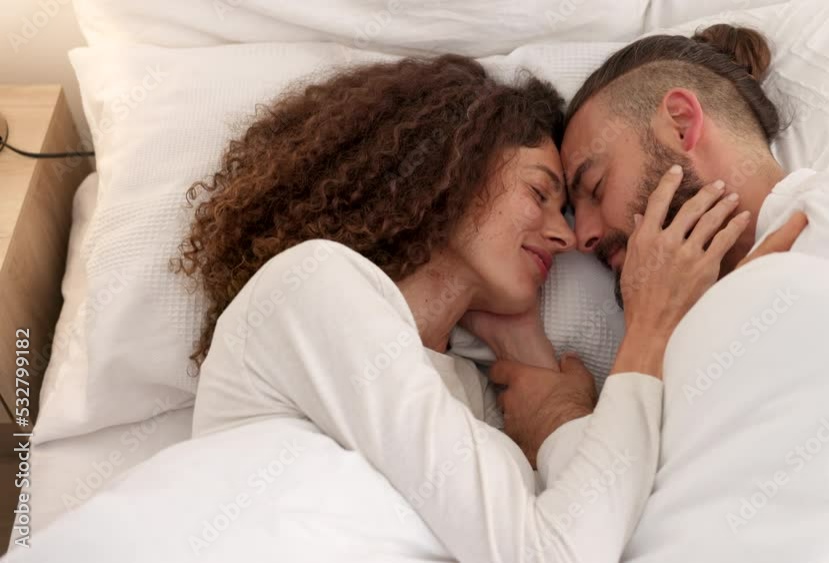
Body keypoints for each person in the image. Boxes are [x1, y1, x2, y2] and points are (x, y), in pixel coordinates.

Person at [170, 54, 773, 562]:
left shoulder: (475, 394)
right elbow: (555, 554)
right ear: (449, 172)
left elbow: (607, 527)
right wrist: (647, 330)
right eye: (539, 193)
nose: (566, 236)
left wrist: (525, 345)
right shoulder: (312, 287)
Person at [498, 23, 829, 458]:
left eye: (595, 186)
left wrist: (558, 430)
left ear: (681, 124)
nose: (582, 236)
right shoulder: (667, 351)